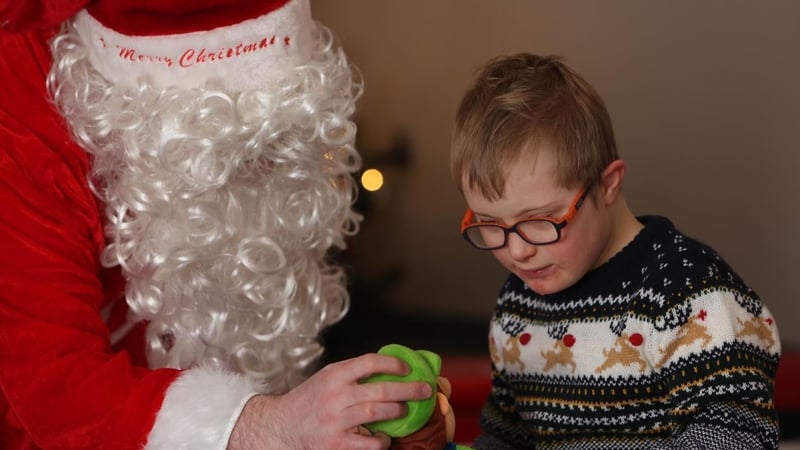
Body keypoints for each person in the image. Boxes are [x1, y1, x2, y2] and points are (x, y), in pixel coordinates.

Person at [0, 1, 434, 449]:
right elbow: (55, 386)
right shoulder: (22, 114)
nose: (260, 167)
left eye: (277, 138)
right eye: (234, 145)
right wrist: (267, 426)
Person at [450, 53, 781, 449]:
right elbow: (507, 439)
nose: (517, 251)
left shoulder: (689, 293)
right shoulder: (518, 304)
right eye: (489, 224)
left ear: (608, 184)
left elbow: (736, 438)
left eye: (540, 220)